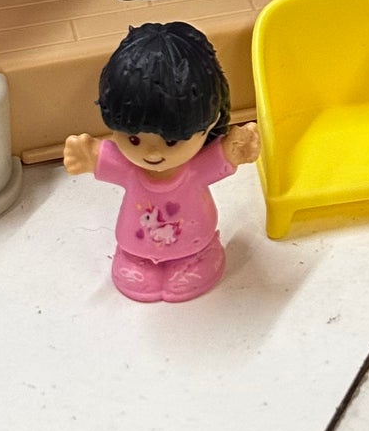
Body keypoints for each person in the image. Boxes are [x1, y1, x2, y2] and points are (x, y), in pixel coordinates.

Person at [63, 22, 258, 301]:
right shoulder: (127, 167)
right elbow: (98, 156)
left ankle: (194, 260)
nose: (152, 154)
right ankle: (137, 262)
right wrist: (86, 155)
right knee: (136, 271)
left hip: (195, 245)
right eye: (133, 139)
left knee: (193, 266)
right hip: (135, 246)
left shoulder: (196, 168)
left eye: (171, 142)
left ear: (209, 124)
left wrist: (235, 148)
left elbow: (224, 156)